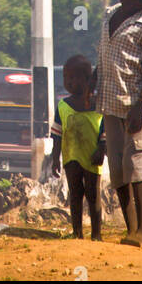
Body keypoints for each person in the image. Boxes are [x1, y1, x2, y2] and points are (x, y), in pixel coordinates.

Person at [95, 0, 142, 248]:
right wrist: (93, 75)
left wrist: (140, 105)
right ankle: (131, 227)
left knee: (136, 165)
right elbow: (103, 53)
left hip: (135, 105)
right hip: (110, 103)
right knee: (118, 168)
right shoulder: (110, 13)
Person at [50, 55, 104, 240]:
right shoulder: (63, 106)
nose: (70, 82)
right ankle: (77, 232)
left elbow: (104, 132)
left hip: (92, 157)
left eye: (74, 77)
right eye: (67, 78)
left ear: (88, 79)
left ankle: (96, 234)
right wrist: (54, 157)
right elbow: (57, 134)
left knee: (93, 194)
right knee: (75, 194)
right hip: (70, 157)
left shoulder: (98, 105)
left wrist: (101, 150)